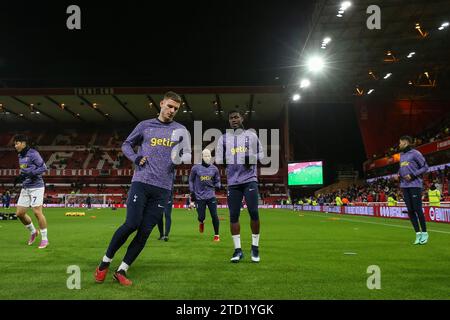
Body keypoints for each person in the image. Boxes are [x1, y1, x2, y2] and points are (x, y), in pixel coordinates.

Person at [94, 91, 191, 286]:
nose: (172, 111)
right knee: (131, 224)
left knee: (145, 231)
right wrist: (136, 158)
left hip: (163, 188)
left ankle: (122, 270)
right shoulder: (145, 125)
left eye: (176, 108)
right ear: (161, 103)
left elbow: (187, 154)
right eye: (169, 106)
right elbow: (126, 145)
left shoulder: (181, 130)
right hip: (142, 182)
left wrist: (182, 158)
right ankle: (104, 263)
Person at [216, 110, 264, 263]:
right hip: (233, 182)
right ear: (229, 121)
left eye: (236, 117)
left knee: (254, 212)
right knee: (233, 215)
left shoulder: (251, 136)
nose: (234, 120)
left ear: (242, 118)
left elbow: (262, 154)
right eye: (231, 118)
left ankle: (255, 247)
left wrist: (253, 157)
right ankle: (238, 250)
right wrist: (222, 160)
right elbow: (217, 158)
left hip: (249, 179)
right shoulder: (223, 139)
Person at [13, 135, 49, 249]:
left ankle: (45, 239)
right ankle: (34, 232)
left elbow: (44, 168)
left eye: (17, 143)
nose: (15, 146)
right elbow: (25, 169)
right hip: (26, 187)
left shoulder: (33, 154)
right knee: (19, 213)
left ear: (23, 143)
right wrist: (21, 176)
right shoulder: (20, 155)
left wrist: (30, 174)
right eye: (14, 144)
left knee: (37, 212)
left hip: (37, 187)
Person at [397, 135, 429, 245]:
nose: (399, 144)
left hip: (415, 185)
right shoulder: (401, 155)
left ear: (406, 143)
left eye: (400, 142)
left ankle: (425, 233)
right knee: (410, 210)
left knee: (417, 209)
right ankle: (418, 234)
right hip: (404, 186)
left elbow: (425, 167)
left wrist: (413, 175)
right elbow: (402, 168)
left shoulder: (416, 153)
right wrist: (399, 174)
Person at [189, 149, 221, 242]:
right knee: (201, 216)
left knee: (214, 215)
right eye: (205, 155)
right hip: (199, 196)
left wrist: (218, 185)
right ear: (202, 156)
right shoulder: (195, 168)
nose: (207, 157)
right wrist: (192, 192)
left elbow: (217, 180)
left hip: (211, 196)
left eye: (209, 155)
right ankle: (201, 222)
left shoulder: (214, 169)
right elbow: (191, 180)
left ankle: (216, 235)